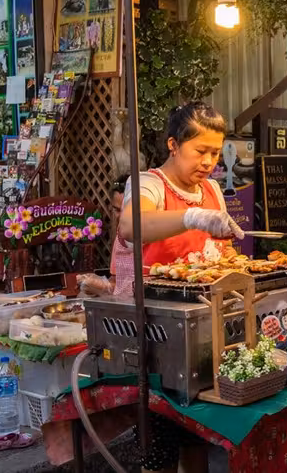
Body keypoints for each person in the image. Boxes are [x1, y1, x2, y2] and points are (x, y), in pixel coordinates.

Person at [117, 102, 243, 473]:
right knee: (162, 432)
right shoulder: (149, 184)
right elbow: (129, 226)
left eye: (216, 152)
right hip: (158, 326)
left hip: (206, 320)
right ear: (173, 145)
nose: (209, 161)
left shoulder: (212, 190)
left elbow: (222, 251)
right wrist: (191, 216)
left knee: (198, 430)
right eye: (200, 151)